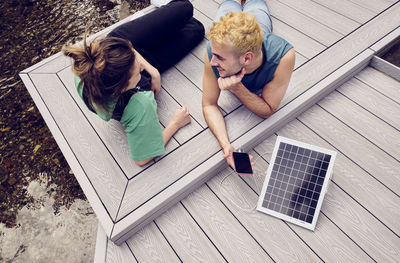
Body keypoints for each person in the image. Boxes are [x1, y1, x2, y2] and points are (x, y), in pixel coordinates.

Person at [64, 0, 204, 166]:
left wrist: (153, 71)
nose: (140, 65)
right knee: (196, 29)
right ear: (121, 88)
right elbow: (141, 159)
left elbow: (127, 47)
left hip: (123, 45)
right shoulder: (138, 105)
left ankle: (148, 19)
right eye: (137, 69)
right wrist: (175, 124)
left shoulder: (88, 66)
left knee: (184, 7)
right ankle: (150, 23)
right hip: (130, 67)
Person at [202, 0, 295, 168]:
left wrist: (237, 88)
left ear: (247, 58)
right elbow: (208, 105)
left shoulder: (283, 55)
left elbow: (268, 109)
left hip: (258, 32)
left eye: (220, 58)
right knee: (229, 5)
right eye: (213, 55)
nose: (213, 62)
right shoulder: (214, 50)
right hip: (234, 40)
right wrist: (226, 145)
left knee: (257, 6)